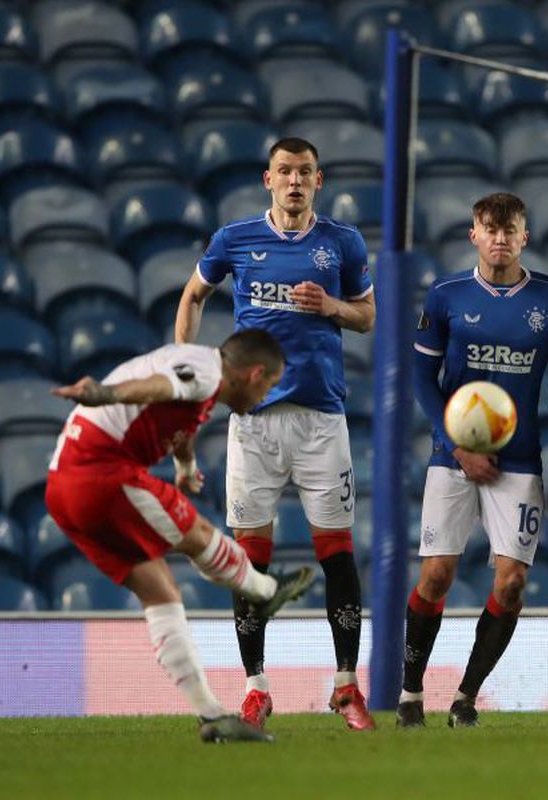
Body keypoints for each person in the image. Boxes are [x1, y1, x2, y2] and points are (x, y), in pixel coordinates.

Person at [174, 137, 377, 731]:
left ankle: (346, 686)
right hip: (253, 424)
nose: (294, 181)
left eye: (305, 172)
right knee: (249, 558)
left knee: (337, 554)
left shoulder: (342, 242)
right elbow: (194, 295)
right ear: (268, 179)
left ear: (320, 179)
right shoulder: (235, 239)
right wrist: (187, 366)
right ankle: (256, 688)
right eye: (285, 171)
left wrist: (331, 306)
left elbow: (367, 316)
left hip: (320, 421)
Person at [45, 330, 316, 743]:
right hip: (99, 472)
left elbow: (181, 412)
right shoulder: (206, 371)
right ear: (255, 373)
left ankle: (211, 715)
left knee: (160, 590)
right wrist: (105, 393)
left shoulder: (201, 374)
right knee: (199, 535)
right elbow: (159, 387)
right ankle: (263, 590)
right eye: (269, 386)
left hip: (61, 485)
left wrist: (185, 465)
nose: (265, 396)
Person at [399, 192, 548, 728]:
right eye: (488, 229)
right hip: (453, 458)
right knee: (437, 574)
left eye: (510, 229)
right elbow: (421, 379)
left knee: (512, 583)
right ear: (473, 235)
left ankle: (466, 698)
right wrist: (457, 447)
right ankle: (409, 694)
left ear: (525, 236)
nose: (499, 238)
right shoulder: (448, 295)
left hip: (517, 462)